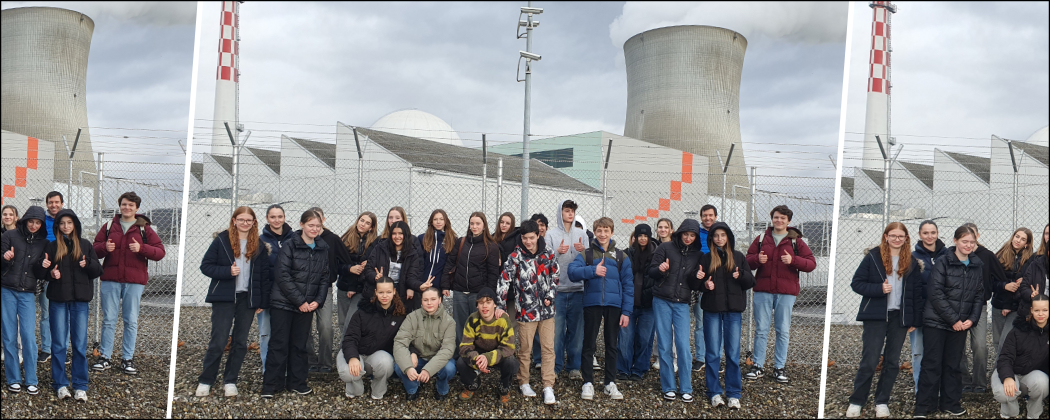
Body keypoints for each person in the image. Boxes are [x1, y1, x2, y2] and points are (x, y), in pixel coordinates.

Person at [845, 222, 926, 418]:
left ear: (906, 238)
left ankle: (881, 401)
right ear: (886, 237)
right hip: (876, 316)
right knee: (870, 360)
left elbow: (917, 294)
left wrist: (914, 319)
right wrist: (878, 289)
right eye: (893, 235)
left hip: (899, 317)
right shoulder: (873, 257)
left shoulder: (912, 263)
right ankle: (857, 400)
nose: (897, 239)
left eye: (901, 236)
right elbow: (856, 283)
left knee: (892, 361)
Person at [195, 206, 272, 398]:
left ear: (254, 222)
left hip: (247, 299)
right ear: (234, 221)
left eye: (249, 220)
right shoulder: (222, 241)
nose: (245, 223)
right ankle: (206, 380)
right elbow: (206, 266)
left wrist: (262, 301)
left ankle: (230, 380)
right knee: (219, 340)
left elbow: (264, 276)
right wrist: (227, 271)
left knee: (240, 341)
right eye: (241, 219)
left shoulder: (259, 245)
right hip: (225, 297)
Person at [913, 225, 985, 418]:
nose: (968, 245)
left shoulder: (977, 265)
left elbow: (979, 295)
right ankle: (924, 406)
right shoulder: (943, 261)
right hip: (937, 322)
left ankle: (950, 403)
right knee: (932, 363)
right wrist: (954, 319)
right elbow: (935, 293)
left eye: (972, 242)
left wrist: (972, 319)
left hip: (961, 325)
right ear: (955, 241)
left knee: (953, 365)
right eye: (964, 241)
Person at [91, 191, 166, 375]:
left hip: (134, 281)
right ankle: (105, 357)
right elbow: (94, 250)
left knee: (130, 320)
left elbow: (160, 252)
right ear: (120, 206)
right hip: (111, 278)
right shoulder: (109, 226)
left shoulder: (144, 228)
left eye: (131, 205)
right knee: (109, 319)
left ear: (136, 208)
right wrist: (104, 248)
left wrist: (142, 248)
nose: (127, 207)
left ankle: (127, 358)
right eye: (124, 204)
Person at [261, 210, 330, 399]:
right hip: (284, 303)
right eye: (310, 225)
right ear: (302, 225)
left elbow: (325, 277)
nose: (314, 229)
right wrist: (300, 301)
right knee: (279, 343)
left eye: (317, 226)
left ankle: (297, 382)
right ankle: (271, 385)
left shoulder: (323, 247)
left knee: (299, 345)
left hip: (307, 306)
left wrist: (317, 301)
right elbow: (282, 275)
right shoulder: (290, 245)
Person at [744, 205, 817, 384]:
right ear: (772, 219)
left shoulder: (796, 241)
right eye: (776, 217)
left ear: (788, 221)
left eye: (783, 218)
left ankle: (779, 367)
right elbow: (747, 261)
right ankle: (758, 365)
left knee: (782, 330)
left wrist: (794, 260)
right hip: (763, 289)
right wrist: (757, 260)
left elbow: (811, 263)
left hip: (786, 292)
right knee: (761, 329)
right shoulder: (761, 239)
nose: (779, 220)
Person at [36, 209, 102, 401]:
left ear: (75, 225)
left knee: (79, 344)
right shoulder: (52, 246)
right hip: (58, 300)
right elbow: (40, 271)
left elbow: (98, 270)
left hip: (80, 301)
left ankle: (80, 385)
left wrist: (88, 264)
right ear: (58, 226)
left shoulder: (85, 245)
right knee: (58, 344)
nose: (66, 226)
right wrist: (50, 274)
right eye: (62, 223)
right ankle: (60, 384)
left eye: (69, 223)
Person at [567, 217, 633, 401]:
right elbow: (572, 272)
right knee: (589, 344)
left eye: (606, 231)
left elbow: (628, 285)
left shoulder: (621, 256)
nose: (602, 234)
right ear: (594, 232)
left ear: (612, 232)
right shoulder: (587, 254)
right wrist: (592, 271)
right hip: (592, 303)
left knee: (612, 345)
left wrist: (626, 312)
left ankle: (609, 382)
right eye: (599, 231)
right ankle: (587, 382)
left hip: (614, 305)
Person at [497, 220, 559, 404]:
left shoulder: (548, 253)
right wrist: (500, 305)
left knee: (548, 349)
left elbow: (555, 275)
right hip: (525, 311)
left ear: (538, 235)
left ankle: (548, 385)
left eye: (531, 238)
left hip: (546, 311)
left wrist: (550, 295)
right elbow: (504, 280)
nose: (528, 241)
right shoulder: (515, 256)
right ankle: (523, 381)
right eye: (525, 238)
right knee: (525, 349)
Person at [698, 222, 754, 410]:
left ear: (728, 237)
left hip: (733, 311)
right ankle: (714, 392)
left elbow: (750, 281)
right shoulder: (706, 258)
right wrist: (704, 284)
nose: (719, 238)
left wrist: (741, 275)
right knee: (713, 353)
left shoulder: (738, 257)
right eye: (716, 236)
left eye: (723, 235)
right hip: (712, 310)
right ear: (711, 239)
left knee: (732, 353)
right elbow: (695, 281)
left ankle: (733, 393)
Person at [648, 218, 703, 403]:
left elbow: (694, 284)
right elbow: (651, 271)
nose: (688, 238)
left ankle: (686, 387)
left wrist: (698, 277)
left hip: (682, 303)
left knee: (683, 345)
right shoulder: (665, 248)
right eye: (686, 234)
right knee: (664, 344)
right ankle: (669, 386)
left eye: (692, 235)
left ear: (696, 237)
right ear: (679, 233)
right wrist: (660, 269)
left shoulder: (697, 255)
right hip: (661, 300)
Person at [1, 205, 46, 395]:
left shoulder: (43, 243)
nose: (34, 225)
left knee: (28, 336)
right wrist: (5, 257)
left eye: (37, 223)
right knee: (9, 335)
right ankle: (13, 379)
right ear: (25, 220)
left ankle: (31, 379)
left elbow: (40, 273)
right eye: (31, 221)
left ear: (41, 224)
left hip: (27, 293)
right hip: (7, 290)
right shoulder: (9, 236)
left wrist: (44, 266)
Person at [337, 277, 406, 400]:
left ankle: (378, 389)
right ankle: (355, 387)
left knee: (386, 363)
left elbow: (403, 340)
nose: (385, 296)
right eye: (381, 292)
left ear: (394, 292)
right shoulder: (363, 312)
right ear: (375, 292)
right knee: (348, 373)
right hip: (355, 351)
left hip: (375, 356)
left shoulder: (399, 316)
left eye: (388, 292)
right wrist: (352, 357)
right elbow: (350, 338)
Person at [300, 207, 350, 374]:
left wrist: (340, 276)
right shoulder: (299, 238)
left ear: (323, 220)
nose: (315, 226)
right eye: (311, 222)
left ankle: (325, 362)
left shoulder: (332, 239)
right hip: (303, 289)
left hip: (324, 288)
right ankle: (310, 360)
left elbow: (345, 261)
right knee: (305, 327)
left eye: (318, 221)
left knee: (325, 326)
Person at [957, 223, 1006, 394]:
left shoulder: (987, 255)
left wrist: (1000, 297)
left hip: (979, 306)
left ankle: (979, 382)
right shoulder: (954, 254)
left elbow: (1000, 279)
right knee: (959, 346)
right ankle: (963, 380)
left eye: (972, 236)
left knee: (979, 345)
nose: (969, 242)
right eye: (965, 238)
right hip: (958, 307)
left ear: (977, 236)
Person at [442, 211, 500, 345]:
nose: (474, 226)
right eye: (472, 223)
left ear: (484, 225)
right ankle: (460, 354)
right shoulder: (461, 242)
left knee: (478, 327)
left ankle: (476, 354)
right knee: (460, 326)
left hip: (478, 294)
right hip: (459, 291)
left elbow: (493, 273)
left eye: (478, 224)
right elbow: (450, 263)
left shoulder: (491, 246)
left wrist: (488, 296)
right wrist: (445, 285)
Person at [545, 200, 587, 380]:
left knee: (576, 332)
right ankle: (555, 367)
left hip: (578, 289)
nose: (570, 214)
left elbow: (589, 260)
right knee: (556, 332)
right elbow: (545, 261)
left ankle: (574, 367)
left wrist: (584, 250)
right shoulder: (551, 235)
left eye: (572, 211)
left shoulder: (582, 234)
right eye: (567, 210)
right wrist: (557, 252)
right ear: (560, 212)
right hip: (558, 290)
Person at [393, 287, 458, 401]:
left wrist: (428, 370)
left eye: (433, 299)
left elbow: (447, 349)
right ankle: (413, 388)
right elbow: (400, 342)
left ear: (440, 300)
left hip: (437, 359)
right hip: (419, 358)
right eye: (425, 300)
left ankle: (441, 388)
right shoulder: (412, 317)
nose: (429, 303)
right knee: (399, 366)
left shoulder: (449, 322)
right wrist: (408, 367)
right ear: (421, 301)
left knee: (449, 368)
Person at [457, 287, 518, 405]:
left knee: (511, 361)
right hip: (478, 353)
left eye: (488, 302)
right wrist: (478, 359)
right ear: (477, 306)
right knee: (460, 362)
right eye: (481, 303)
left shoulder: (503, 320)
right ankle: (472, 383)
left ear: (495, 305)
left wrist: (488, 358)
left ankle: (504, 387)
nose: (484, 306)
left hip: (497, 352)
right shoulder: (472, 319)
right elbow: (465, 346)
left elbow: (509, 347)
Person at [992, 293, 1048, 419]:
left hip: (1030, 375)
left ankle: (1034, 413)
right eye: (1037, 310)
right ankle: (1010, 411)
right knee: (1003, 392)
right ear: (1031, 310)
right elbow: (1005, 357)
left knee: (1043, 384)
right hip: (1010, 370)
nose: (1041, 314)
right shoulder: (1018, 330)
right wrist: (1007, 377)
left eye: (1045, 310)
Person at [909, 220, 947, 391]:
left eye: (933, 232)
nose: (929, 236)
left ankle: (938, 389)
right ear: (920, 235)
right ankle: (921, 389)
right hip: (920, 310)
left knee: (940, 352)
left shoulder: (948, 255)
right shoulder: (912, 257)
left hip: (941, 312)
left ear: (937, 233)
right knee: (918, 352)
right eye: (925, 233)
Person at [256, 204, 294, 373]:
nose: (277, 220)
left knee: (286, 333)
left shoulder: (294, 239)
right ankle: (268, 369)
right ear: (267, 219)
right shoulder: (260, 241)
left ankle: (285, 369)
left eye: (280, 216)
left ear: (284, 217)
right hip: (267, 293)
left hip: (288, 294)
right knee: (266, 333)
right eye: (273, 217)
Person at [618, 223, 657, 383]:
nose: (642, 238)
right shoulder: (626, 254)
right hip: (628, 304)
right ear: (635, 237)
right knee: (625, 337)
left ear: (649, 237)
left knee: (644, 338)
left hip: (649, 304)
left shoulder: (656, 254)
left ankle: (639, 368)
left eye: (645, 236)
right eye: (640, 235)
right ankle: (623, 368)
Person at [364, 221, 423, 312]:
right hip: (380, 288)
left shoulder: (412, 252)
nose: (397, 236)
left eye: (400, 233)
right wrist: (375, 276)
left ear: (406, 235)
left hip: (400, 290)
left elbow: (411, 276)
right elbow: (368, 269)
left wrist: (418, 286)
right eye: (394, 233)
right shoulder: (380, 248)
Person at [992, 227, 1034, 354]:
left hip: (1015, 307)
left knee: (1005, 342)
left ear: (1027, 243)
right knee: (997, 341)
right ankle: (1001, 365)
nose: (1018, 240)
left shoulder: (1029, 260)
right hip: (998, 304)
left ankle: (1001, 366)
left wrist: (1024, 280)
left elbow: (1028, 285)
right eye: (1017, 236)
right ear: (1013, 237)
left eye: (1023, 239)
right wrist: (1004, 286)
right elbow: (990, 282)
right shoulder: (1000, 255)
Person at [337, 211, 378, 340]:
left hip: (360, 289)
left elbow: (371, 267)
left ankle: (346, 348)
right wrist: (349, 268)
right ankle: (346, 345)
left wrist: (354, 286)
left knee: (351, 321)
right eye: (362, 220)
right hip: (343, 286)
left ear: (371, 227)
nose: (363, 224)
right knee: (342, 321)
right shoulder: (345, 239)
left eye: (367, 223)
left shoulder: (374, 244)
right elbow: (337, 265)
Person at [37, 191, 64, 365]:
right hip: (45, 271)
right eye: (50, 202)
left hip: (64, 271)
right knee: (46, 312)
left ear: (62, 203)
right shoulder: (41, 220)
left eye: (56, 202)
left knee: (62, 313)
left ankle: (61, 349)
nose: (54, 205)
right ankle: (46, 348)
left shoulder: (67, 220)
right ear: (47, 204)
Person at [691, 205, 717, 373]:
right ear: (701, 217)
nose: (708, 218)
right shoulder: (697, 234)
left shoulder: (721, 232)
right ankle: (700, 357)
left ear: (715, 216)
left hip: (717, 282)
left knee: (716, 323)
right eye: (705, 215)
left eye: (710, 215)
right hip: (699, 282)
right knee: (700, 322)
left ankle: (715, 358)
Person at [418, 209, 456, 314]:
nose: (438, 222)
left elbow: (450, 265)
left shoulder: (452, 240)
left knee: (435, 313)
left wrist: (445, 286)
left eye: (441, 219)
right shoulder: (422, 238)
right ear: (431, 221)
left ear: (446, 221)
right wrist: (418, 282)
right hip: (422, 283)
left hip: (439, 284)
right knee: (421, 313)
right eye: (435, 219)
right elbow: (418, 263)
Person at [652, 217, 676, 373]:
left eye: (666, 227)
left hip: (672, 291)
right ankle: (659, 356)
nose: (663, 230)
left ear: (671, 230)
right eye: (660, 227)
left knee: (672, 327)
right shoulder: (653, 246)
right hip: (656, 289)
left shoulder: (676, 247)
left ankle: (673, 357)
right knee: (658, 327)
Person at [494, 212, 521, 335]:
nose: (504, 225)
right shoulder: (492, 238)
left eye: (507, 223)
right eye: (502, 222)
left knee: (510, 322)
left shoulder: (516, 239)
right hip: (496, 284)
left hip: (511, 287)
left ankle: (509, 345)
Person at [1, 204, 20, 365]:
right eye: (5, 214)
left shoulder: (21, 235)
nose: (7, 217)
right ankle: (4, 348)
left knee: (17, 318)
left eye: (10, 214)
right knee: (5, 317)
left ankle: (18, 349)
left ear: (16, 217)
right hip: (2, 279)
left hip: (16, 281)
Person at [1017, 224, 1048, 319]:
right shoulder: (1035, 260)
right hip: (1035, 312)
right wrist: (1031, 294)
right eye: (1047, 233)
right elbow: (1023, 283)